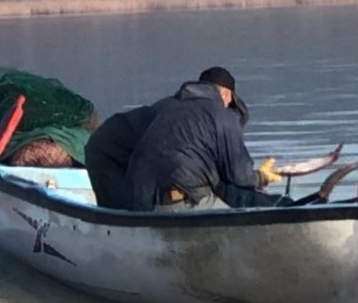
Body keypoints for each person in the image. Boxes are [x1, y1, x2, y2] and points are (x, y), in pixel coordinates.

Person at [87, 67, 281, 212]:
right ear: (226, 94)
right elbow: (239, 175)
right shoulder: (223, 116)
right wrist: (261, 177)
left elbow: (111, 137)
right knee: (240, 207)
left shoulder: (163, 107)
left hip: (144, 205)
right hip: (185, 203)